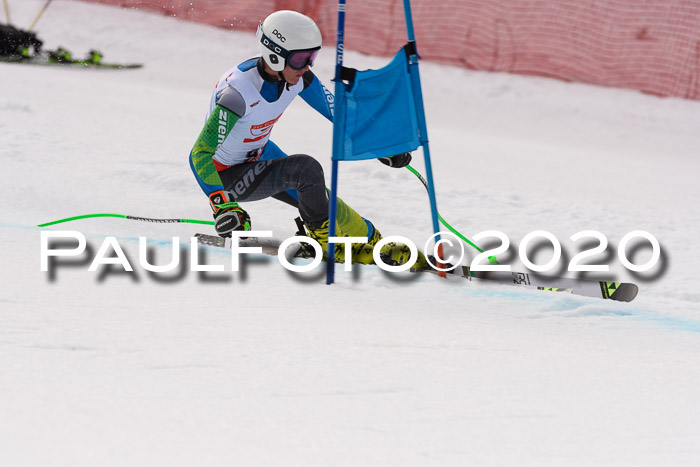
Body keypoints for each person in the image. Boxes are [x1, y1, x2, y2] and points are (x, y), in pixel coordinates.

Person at [189, 10, 425, 268]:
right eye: (301, 58)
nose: (307, 66)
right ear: (275, 55)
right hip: (225, 176)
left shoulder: (297, 78)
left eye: (312, 56)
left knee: (322, 199)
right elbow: (199, 154)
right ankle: (324, 244)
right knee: (305, 169)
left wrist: (380, 142)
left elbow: (339, 113)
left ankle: (372, 239)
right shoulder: (238, 95)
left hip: (257, 154)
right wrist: (223, 207)